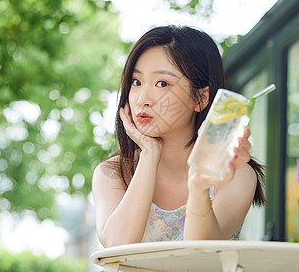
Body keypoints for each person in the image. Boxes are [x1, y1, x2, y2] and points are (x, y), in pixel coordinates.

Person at [92, 25, 265, 247]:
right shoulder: (113, 173)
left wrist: (199, 186)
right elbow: (118, 246)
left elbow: (196, 255)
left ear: (201, 99)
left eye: (162, 83)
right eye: (136, 82)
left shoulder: (236, 176)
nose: (142, 99)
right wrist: (149, 154)